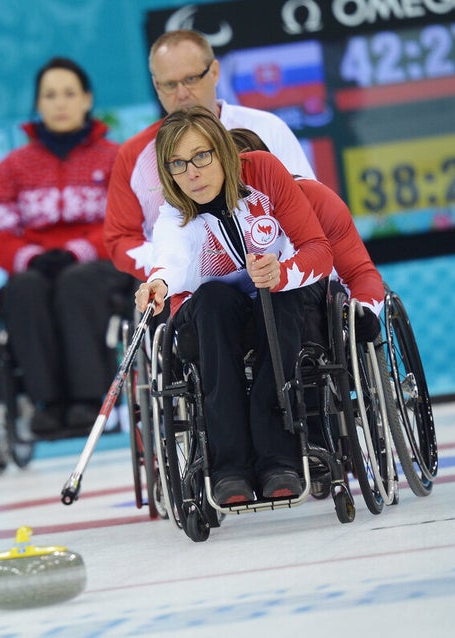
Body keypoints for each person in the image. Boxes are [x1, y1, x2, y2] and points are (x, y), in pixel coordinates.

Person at [134, 106, 332, 505]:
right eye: (178, 164)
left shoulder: (263, 172)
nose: (192, 172)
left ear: (222, 150)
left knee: (275, 298)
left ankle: (279, 459)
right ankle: (229, 468)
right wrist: (157, 283)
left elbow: (318, 249)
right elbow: (172, 260)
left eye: (201, 156)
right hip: (217, 318)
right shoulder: (175, 212)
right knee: (211, 299)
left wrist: (284, 272)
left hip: (281, 294)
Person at [0, 57, 133, 437]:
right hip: (39, 265)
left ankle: (88, 399)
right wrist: (30, 257)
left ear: (87, 99)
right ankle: (45, 403)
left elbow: (127, 221)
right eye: (49, 95)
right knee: (21, 287)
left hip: (99, 264)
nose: (60, 103)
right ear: (37, 104)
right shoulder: (13, 167)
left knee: (76, 281)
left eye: (69, 93)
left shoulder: (115, 157)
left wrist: (77, 250)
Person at [105, 28, 316, 282]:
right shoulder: (134, 154)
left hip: (276, 279)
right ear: (156, 86)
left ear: (214, 72)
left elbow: (310, 207)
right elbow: (120, 240)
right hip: (191, 296)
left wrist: (282, 270)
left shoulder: (266, 129)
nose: (182, 93)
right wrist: (178, 266)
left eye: (191, 79)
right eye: (170, 84)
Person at [229, 128, 384, 341]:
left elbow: (358, 272)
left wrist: (364, 311)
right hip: (238, 315)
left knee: (289, 295)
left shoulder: (318, 200)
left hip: (302, 307)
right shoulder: (201, 219)